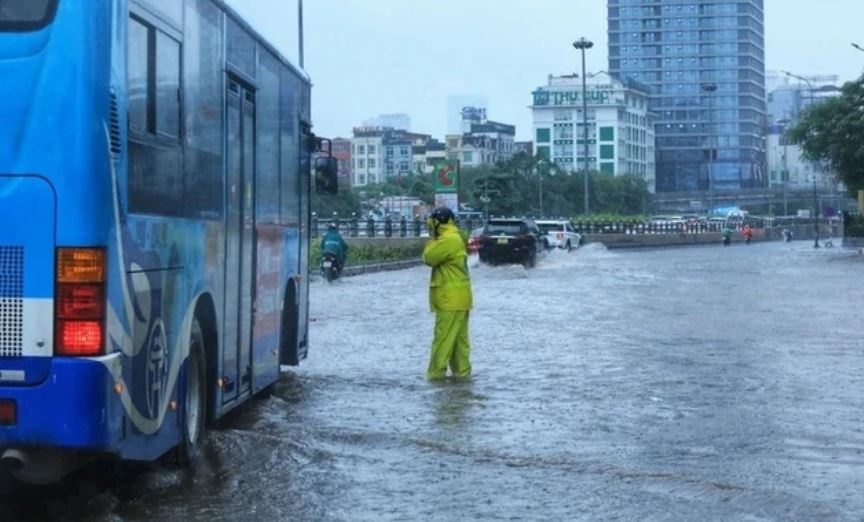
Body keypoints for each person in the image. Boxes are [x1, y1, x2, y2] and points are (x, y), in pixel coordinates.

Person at [422, 207, 473, 380]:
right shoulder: (454, 237)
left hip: (450, 298)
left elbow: (428, 258)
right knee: (459, 342)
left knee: (443, 340)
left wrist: (432, 241)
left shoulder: (448, 240)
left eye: (431, 224)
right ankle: (462, 378)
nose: (430, 228)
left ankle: (435, 377)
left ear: (438, 223)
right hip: (460, 297)